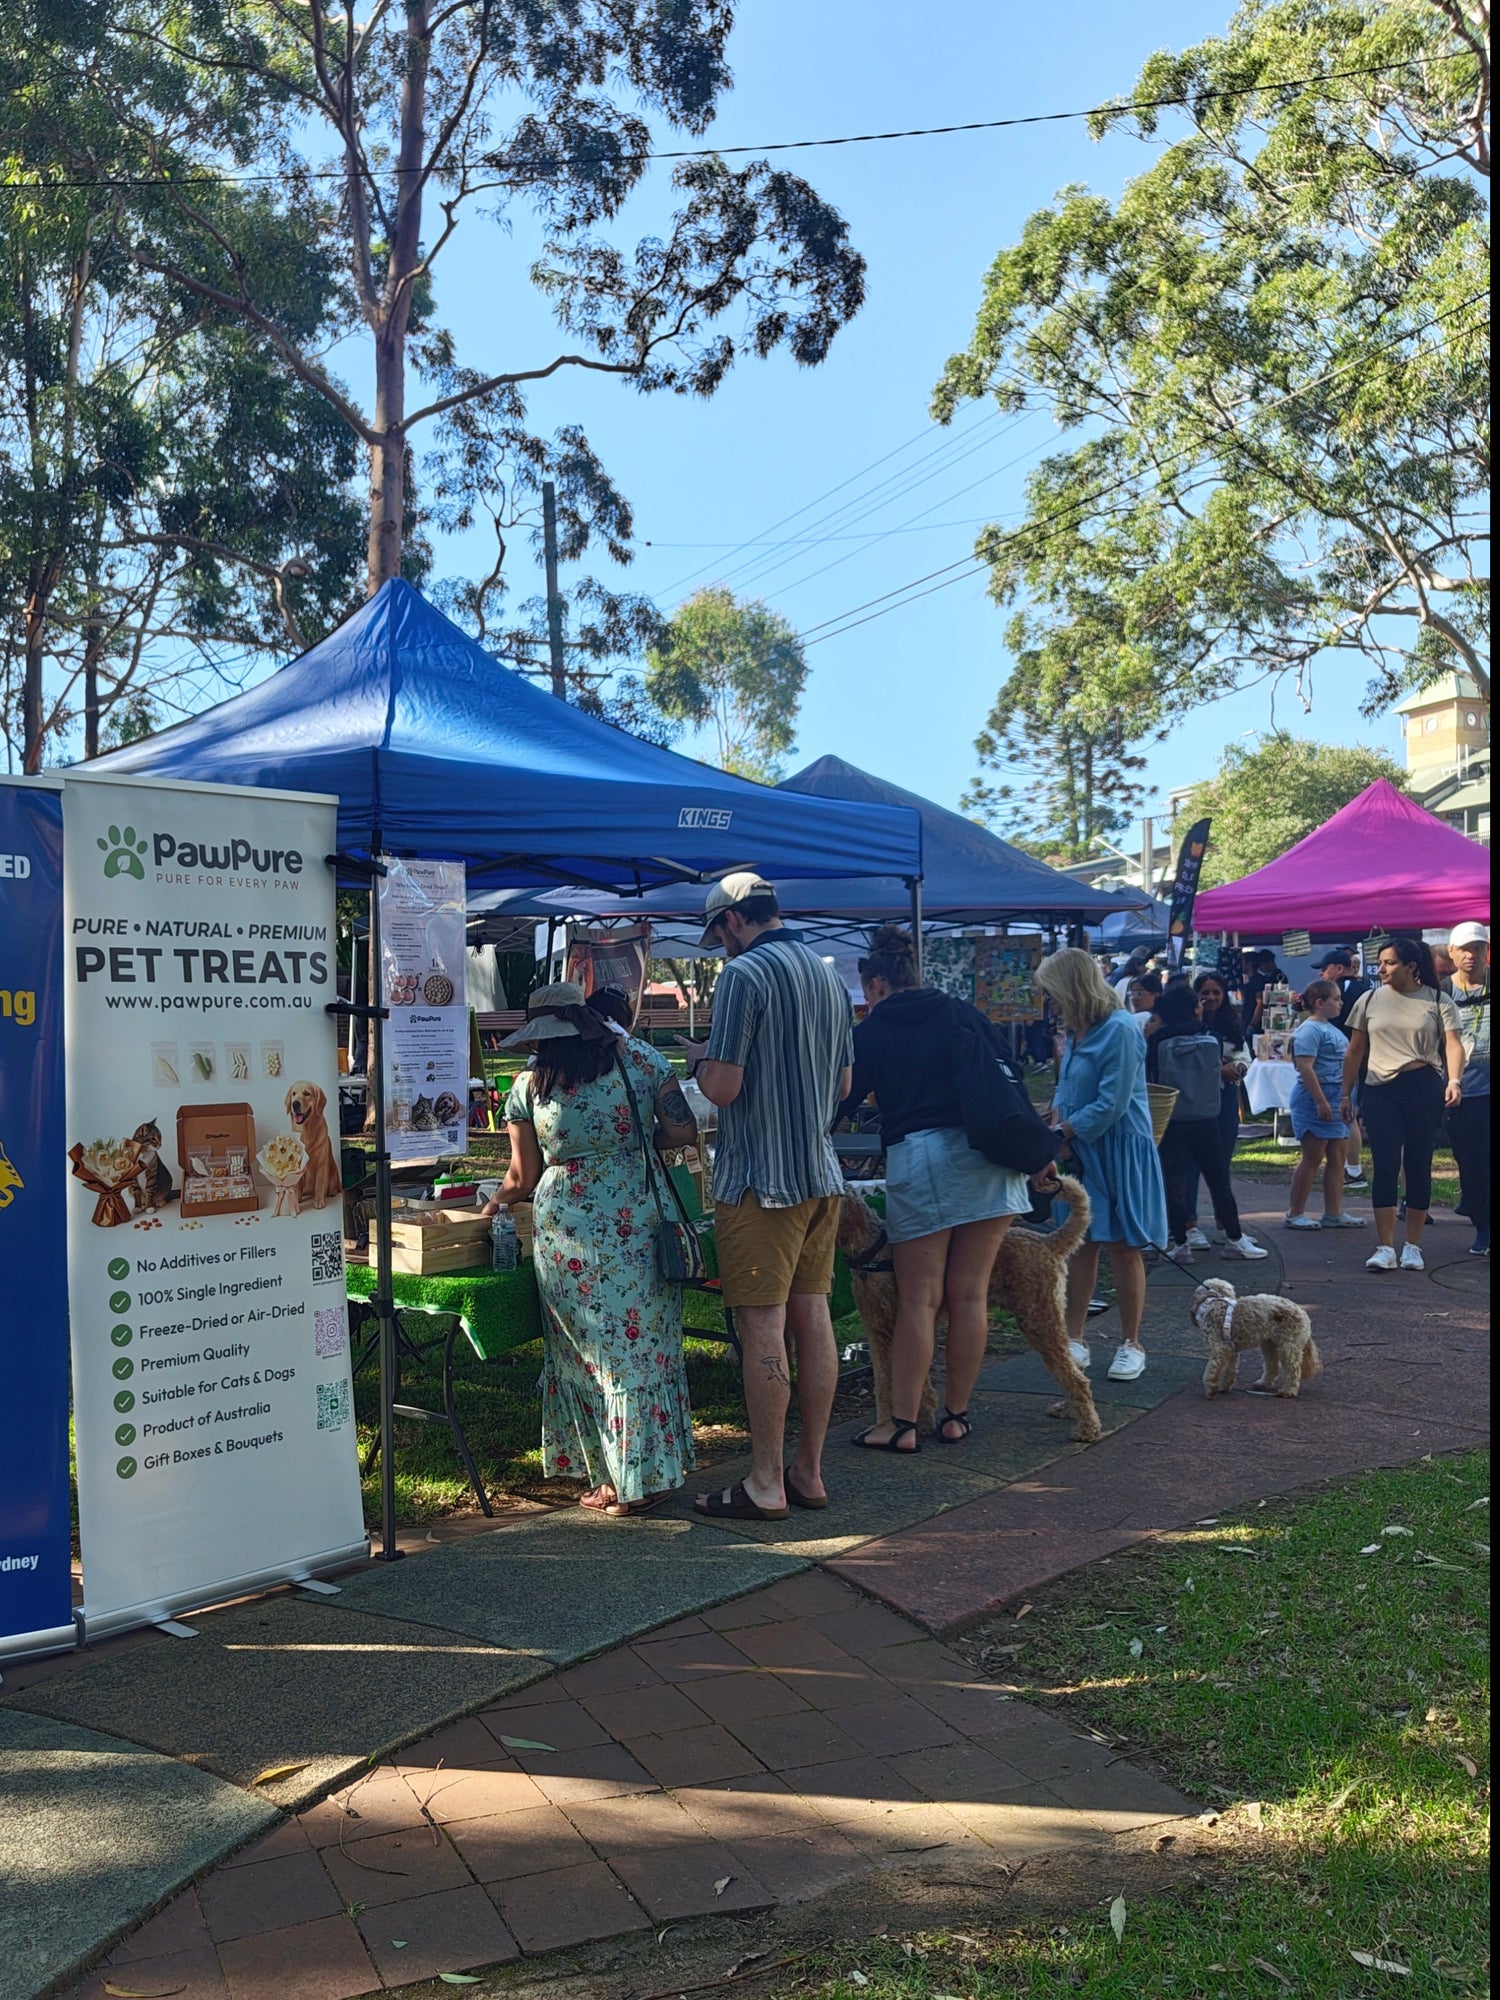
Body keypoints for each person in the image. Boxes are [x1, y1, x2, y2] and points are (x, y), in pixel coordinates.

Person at [484, 983, 699, 1516]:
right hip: (642, 1220)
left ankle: (613, 1482)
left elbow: (523, 1175)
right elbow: (683, 1130)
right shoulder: (642, 1059)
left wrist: (492, 1206)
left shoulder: (528, 1085)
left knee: (589, 1356)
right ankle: (654, 1473)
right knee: (645, 1350)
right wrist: (634, 1144)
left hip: (568, 1234)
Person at [839, 926, 1050, 1450]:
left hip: (923, 1158)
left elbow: (840, 1101)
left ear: (876, 984)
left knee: (918, 1299)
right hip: (989, 1158)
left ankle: (902, 1424)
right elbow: (1011, 1081)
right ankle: (956, 1415)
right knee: (970, 1294)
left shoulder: (873, 1029)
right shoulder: (963, 1012)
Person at [680, 873, 851, 1520]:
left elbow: (721, 1089)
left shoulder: (743, 977)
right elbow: (843, 1085)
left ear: (730, 922)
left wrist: (700, 1059)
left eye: (717, 934)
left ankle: (763, 1482)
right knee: (815, 1320)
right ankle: (807, 1471)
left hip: (760, 1180)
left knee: (763, 1329)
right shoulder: (828, 975)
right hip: (820, 1174)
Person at [1036, 948, 1169, 1383]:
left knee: (1125, 1245)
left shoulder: (1120, 1029)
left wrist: (1064, 1133)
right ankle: (1075, 1337)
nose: (1050, 1002)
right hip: (1078, 1145)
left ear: (1072, 988)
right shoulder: (1076, 1031)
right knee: (1081, 1240)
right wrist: (1056, 1124)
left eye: (1053, 992)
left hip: (1115, 1148)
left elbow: (1112, 1102)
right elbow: (1066, 1087)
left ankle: (1132, 1342)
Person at [1340, 939, 1465, 1272]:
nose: (1382, 969)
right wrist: (1345, 1094)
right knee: (1384, 1164)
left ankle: (1413, 1244)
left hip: (1423, 1085)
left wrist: (1454, 1080)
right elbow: (1354, 1051)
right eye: (1380, 962)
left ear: (1412, 967)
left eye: (1390, 963)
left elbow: (1453, 1045)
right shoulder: (1368, 999)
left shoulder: (1437, 1000)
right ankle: (1384, 1246)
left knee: (1419, 1162)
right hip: (1380, 1089)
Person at [1148, 984, 1269, 1265]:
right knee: (1218, 1180)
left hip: (1172, 1118)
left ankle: (1179, 1242)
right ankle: (1235, 1238)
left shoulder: (1157, 1039)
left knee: (1175, 1182)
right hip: (1206, 1117)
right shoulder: (1210, 1037)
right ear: (1194, 1008)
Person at [1179, 969, 1251, 1247]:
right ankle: (1189, 1224)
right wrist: (1218, 1070)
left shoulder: (1231, 1024)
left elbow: (1244, 1054)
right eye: (1205, 993)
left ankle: (1226, 1223)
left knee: (1222, 1162)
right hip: (1195, 1102)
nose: (1210, 998)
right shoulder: (1187, 1025)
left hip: (1226, 1099)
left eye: (1216, 992)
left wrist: (1238, 1067)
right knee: (1190, 1164)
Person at [1284, 979, 1363, 1229]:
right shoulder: (1309, 1031)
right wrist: (1320, 1101)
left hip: (1337, 1096)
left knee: (1337, 1154)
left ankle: (1334, 1211)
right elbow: (1305, 1068)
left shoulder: (1331, 1028)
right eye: (1336, 998)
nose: (1341, 1003)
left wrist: (1346, 1097)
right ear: (1320, 1003)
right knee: (1313, 1156)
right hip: (1315, 1097)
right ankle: (1295, 1212)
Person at [1444, 921, 1490, 1257]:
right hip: (1463, 1092)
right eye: (1464, 949)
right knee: (1470, 1162)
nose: (1471, 955)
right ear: (1451, 953)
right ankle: (1481, 1226)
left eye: (1477, 948)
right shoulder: (1444, 991)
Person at [1315, 947, 1371, 1184]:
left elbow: (1340, 1027)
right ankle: (1350, 1167)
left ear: (1338, 969)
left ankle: (1354, 1169)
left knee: (1347, 1113)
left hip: (1347, 1059)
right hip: (1361, 1058)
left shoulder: (1346, 991)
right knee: (1349, 1112)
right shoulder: (1367, 990)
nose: (1321, 975)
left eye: (1324, 969)